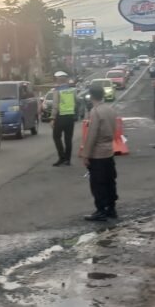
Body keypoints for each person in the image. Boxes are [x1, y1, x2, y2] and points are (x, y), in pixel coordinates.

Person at [81, 86, 118, 222]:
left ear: (91, 96)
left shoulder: (95, 112)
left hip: (98, 153)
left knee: (98, 183)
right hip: (109, 150)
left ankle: (101, 210)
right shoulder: (110, 109)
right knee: (110, 181)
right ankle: (111, 208)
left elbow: (92, 135)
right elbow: (115, 129)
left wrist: (86, 154)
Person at [49, 71, 78, 166]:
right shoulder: (72, 90)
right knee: (68, 139)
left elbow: (55, 105)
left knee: (56, 137)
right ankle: (68, 159)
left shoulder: (57, 91)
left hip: (60, 117)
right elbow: (76, 102)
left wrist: (53, 118)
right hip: (70, 117)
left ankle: (61, 157)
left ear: (58, 80)